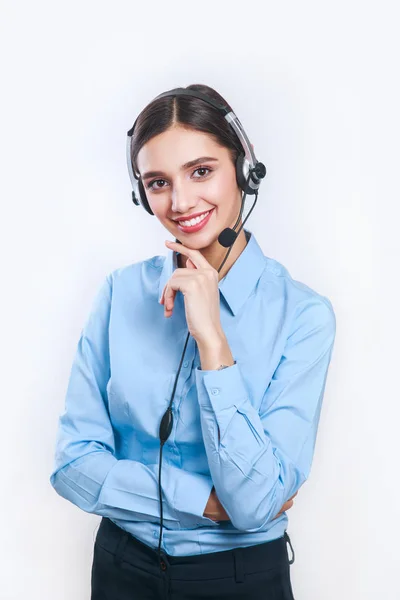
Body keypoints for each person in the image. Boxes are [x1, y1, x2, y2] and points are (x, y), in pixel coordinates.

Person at [49, 83, 336, 599]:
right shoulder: (119, 294)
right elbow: (73, 466)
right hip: (122, 569)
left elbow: (252, 505)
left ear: (244, 170)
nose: (181, 202)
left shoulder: (305, 316)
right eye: (158, 182)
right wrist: (200, 500)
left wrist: (213, 342)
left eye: (201, 171)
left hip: (240, 578)